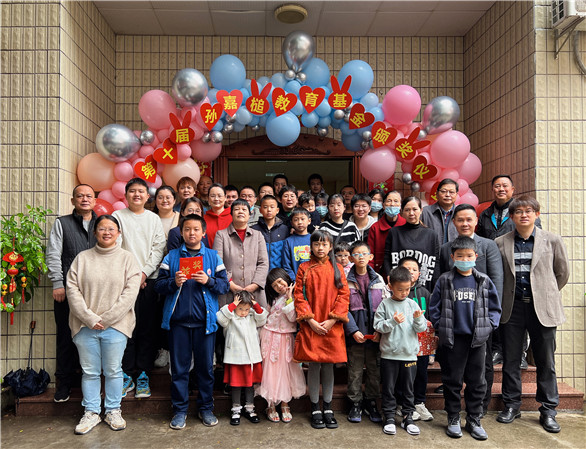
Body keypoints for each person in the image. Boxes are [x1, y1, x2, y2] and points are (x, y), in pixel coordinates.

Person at [495, 196, 569, 434]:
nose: (524, 215)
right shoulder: (500, 242)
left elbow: (562, 273)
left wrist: (543, 294)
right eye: (519, 212)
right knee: (511, 360)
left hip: (542, 308)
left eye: (529, 211)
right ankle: (511, 405)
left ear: (537, 214)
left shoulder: (552, 240)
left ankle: (548, 410)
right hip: (512, 308)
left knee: (545, 361)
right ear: (512, 216)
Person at [66, 215, 141, 434]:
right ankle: (91, 412)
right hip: (84, 326)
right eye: (102, 228)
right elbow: (72, 290)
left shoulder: (127, 259)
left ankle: (113, 410)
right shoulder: (82, 258)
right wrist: (90, 318)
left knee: (113, 370)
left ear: (118, 233)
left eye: (111, 229)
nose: (106, 232)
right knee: (89, 372)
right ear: (94, 232)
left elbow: (130, 293)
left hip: (116, 326)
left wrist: (107, 319)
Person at [155, 214, 230, 429]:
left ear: (203, 233)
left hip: (205, 323)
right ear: (181, 232)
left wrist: (209, 281)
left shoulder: (213, 256)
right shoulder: (171, 256)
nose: (191, 233)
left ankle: (206, 408)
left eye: (196, 229)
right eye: (187, 229)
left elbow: (224, 286)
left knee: (206, 369)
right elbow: (158, 286)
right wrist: (173, 282)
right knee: (179, 370)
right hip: (178, 324)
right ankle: (179, 410)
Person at [429, 236, 501, 440]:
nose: (464, 259)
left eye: (469, 256)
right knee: (452, 381)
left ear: (476, 256)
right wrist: (440, 326)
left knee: (477, 381)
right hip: (453, 340)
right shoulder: (445, 280)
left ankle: (474, 418)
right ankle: (453, 417)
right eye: (460, 256)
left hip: (477, 340)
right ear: (452, 257)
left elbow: (495, 308)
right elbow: (434, 307)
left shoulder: (483, 281)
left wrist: (489, 326)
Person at [439, 203, 504, 416]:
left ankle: (480, 408)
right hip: (454, 321)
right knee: (452, 366)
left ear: (476, 221)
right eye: (460, 220)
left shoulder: (488, 245)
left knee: (482, 366)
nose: (465, 223)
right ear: (453, 222)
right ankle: (453, 411)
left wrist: (491, 320)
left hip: (480, 321)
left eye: (469, 219)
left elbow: (497, 280)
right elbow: (439, 284)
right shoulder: (446, 248)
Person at [477, 175, 541, 367]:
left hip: (518, 269)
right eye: (497, 186)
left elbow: (536, 240)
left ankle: (520, 353)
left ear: (513, 189)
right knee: (498, 308)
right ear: (492, 190)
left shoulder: (521, 212)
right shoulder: (485, 215)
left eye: (505, 186)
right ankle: (498, 349)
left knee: (518, 311)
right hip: (494, 270)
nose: (501, 189)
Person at [113, 178, 166, 399]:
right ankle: (126, 374)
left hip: (149, 281)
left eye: (141, 191)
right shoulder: (117, 216)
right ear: (126, 195)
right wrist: (133, 276)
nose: (137, 194)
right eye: (132, 191)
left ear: (147, 196)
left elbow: (158, 249)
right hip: (124, 281)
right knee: (126, 328)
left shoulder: (153, 219)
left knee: (146, 329)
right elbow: (115, 247)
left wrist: (143, 274)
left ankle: (143, 374)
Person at [46, 184, 98, 402]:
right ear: (73, 200)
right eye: (80, 196)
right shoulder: (62, 223)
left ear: (95, 200)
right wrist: (58, 283)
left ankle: (91, 382)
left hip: (95, 293)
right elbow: (53, 254)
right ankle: (64, 383)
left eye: (89, 196)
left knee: (93, 337)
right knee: (66, 336)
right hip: (67, 291)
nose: (84, 199)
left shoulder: (102, 224)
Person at [294, 230, 350, 430]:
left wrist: (333, 320)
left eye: (324, 244)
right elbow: (299, 296)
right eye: (316, 244)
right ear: (311, 246)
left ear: (330, 247)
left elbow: (344, 295)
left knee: (328, 366)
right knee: (314, 365)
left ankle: (328, 407)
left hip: (331, 325)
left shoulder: (337, 268)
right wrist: (310, 320)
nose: (320, 248)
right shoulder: (304, 268)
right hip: (312, 324)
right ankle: (315, 407)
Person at [374, 266, 427, 437]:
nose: (404, 293)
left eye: (407, 289)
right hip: (389, 355)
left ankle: (408, 417)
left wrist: (418, 319)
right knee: (389, 388)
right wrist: (392, 321)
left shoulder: (412, 304)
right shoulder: (385, 304)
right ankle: (389, 417)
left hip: (409, 355)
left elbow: (421, 328)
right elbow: (378, 326)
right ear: (390, 286)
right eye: (400, 289)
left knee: (408, 389)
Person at [256, 268, 306, 423]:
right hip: (269, 336)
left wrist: (290, 298)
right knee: (270, 370)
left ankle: (285, 404)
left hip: (285, 337)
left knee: (286, 371)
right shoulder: (272, 299)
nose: (278, 286)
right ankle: (270, 404)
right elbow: (266, 316)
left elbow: (293, 318)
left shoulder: (296, 296)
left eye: (279, 281)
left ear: (286, 278)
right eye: (274, 285)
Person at [344, 242, 384, 424]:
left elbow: (385, 306)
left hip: (375, 335)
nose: (361, 257)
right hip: (356, 336)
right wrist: (353, 330)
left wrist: (380, 330)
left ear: (371, 257)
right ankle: (355, 402)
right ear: (351, 258)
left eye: (364, 253)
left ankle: (371, 402)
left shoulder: (378, 280)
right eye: (356, 254)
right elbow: (343, 308)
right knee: (355, 371)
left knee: (374, 370)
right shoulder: (346, 280)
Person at [216, 290, 268, 426]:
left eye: (246, 309)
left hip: (251, 357)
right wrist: (233, 305)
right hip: (235, 357)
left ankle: (250, 408)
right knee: (236, 385)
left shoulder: (252, 316)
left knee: (250, 384)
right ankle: (236, 410)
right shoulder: (230, 316)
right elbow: (220, 319)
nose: (243, 312)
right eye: (240, 309)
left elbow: (262, 319)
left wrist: (255, 305)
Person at [213, 199, 269, 309]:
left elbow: (263, 263)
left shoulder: (258, 236)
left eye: (244, 209)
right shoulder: (221, 235)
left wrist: (255, 284)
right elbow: (217, 263)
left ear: (249, 214)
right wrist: (230, 284)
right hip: (228, 291)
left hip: (254, 291)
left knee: (256, 318)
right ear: (231, 213)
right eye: (237, 209)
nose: (240, 212)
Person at [397, 256, 434, 422]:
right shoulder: (397, 293)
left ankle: (419, 402)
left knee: (421, 372)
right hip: (403, 341)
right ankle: (402, 404)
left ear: (419, 273)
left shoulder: (425, 293)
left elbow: (431, 316)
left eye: (414, 269)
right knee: (403, 373)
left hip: (422, 343)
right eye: (407, 268)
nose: (411, 272)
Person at [383, 196, 440, 292]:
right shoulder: (394, 233)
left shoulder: (431, 235)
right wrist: (390, 276)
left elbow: (436, 262)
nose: (411, 213)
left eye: (415, 209)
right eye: (407, 210)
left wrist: (436, 285)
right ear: (402, 212)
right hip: (399, 286)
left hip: (424, 287)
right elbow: (387, 258)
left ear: (421, 210)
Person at [153, 186, 180, 368]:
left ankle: (173, 349)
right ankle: (162, 349)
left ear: (174, 200)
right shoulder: (150, 218)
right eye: (160, 197)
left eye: (168, 197)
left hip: (175, 272)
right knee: (156, 313)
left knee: (173, 310)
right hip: (153, 272)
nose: (164, 200)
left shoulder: (181, 218)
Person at [367, 190, 406, 275]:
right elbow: (370, 254)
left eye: (396, 201)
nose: (392, 204)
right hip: (381, 273)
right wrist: (372, 274)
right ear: (383, 205)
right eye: (389, 201)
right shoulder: (375, 227)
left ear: (400, 206)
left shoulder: (406, 224)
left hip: (403, 272)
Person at [252, 194, 289, 270]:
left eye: (272, 207)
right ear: (260, 210)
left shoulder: (284, 229)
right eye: (265, 207)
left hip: (279, 272)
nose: (269, 210)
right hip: (259, 272)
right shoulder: (254, 230)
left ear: (277, 210)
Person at [421, 178, 459, 244]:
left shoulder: (460, 213)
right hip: (430, 250)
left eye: (451, 192)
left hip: (455, 250)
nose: (447, 195)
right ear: (437, 194)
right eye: (443, 191)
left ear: (456, 195)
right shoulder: (425, 212)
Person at [282, 207, 311, 281]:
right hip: (297, 282)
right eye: (296, 220)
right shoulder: (288, 241)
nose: (300, 222)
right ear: (291, 223)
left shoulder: (314, 239)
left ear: (309, 221)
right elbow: (286, 266)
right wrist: (295, 280)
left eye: (302, 219)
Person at [204, 183, 232, 247]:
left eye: (219, 196)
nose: (216, 199)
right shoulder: (203, 219)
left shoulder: (233, 217)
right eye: (213, 196)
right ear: (208, 199)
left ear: (225, 198)